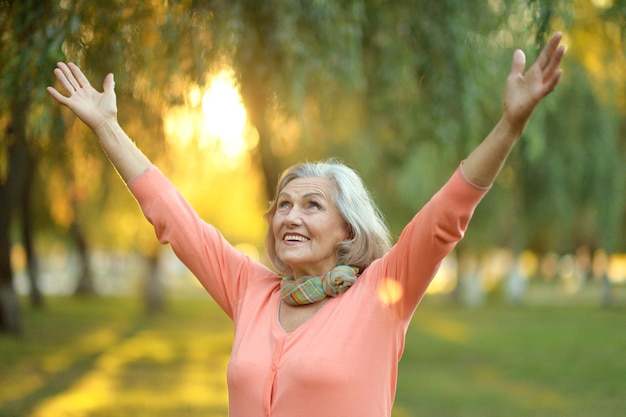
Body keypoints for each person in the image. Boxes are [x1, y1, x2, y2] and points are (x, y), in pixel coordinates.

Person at [47, 32, 565, 417]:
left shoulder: (382, 295)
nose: (290, 216)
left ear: (349, 230)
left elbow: (445, 216)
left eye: (312, 205)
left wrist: (509, 126)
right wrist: (109, 128)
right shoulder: (254, 292)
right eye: (284, 204)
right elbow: (176, 221)